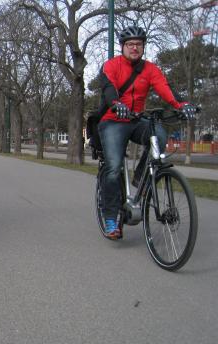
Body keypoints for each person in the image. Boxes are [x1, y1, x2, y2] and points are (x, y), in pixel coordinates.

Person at [96, 25, 197, 239]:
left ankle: (142, 177)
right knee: (113, 168)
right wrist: (115, 102)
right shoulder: (111, 65)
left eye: (139, 45)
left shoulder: (150, 69)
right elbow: (108, 88)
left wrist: (182, 105)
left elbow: (164, 87)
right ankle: (111, 217)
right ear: (123, 47)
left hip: (135, 120)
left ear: (143, 47)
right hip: (113, 120)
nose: (135, 48)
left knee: (159, 134)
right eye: (130, 44)